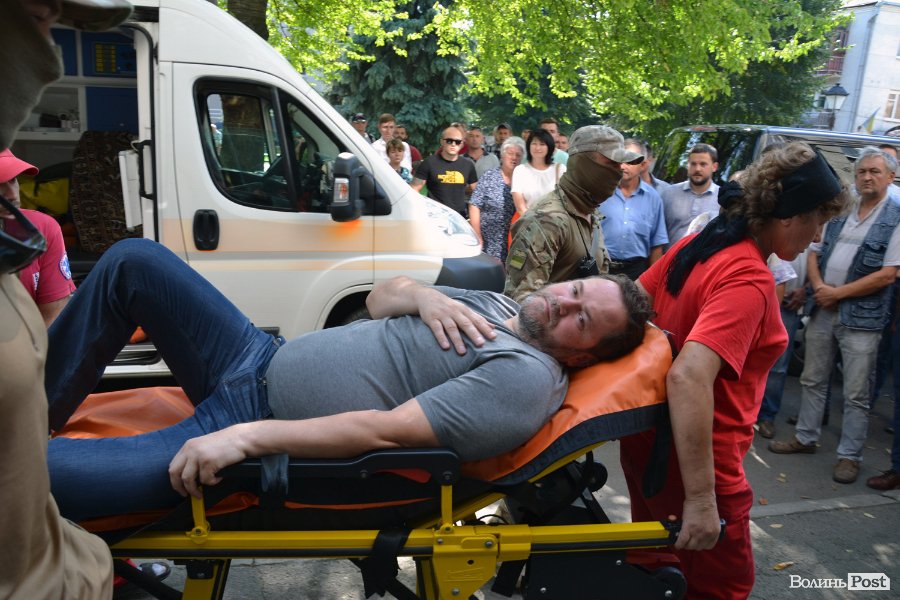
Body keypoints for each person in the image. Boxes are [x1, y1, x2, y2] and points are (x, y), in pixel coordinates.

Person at [44, 237, 653, 520]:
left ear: (584, 357)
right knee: (134, 262)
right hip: (252, 356)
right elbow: (381, 297)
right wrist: (424, 296)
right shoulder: (496, 305)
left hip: (252, 421)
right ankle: (30, 408)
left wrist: (244, 439)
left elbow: (388, 432)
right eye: (576, 290)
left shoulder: (526, 379)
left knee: (23, 478)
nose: (564, 303)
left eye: (581, 321)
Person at [620, 143, 850, 599]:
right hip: (698, 461)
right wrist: (701, 499)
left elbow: (629, 308)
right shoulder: (748, 277)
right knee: (722, 587)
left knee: (655, 570)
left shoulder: (698, 244)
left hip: (647, 444)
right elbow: (688, 376)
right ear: (790, 216)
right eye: (818, 221)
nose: (817, 237)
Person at [0, 1, 133, 598]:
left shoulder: (30, 236)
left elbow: (57, 319)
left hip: (75, 572)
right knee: (133, 264)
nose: (51, 57)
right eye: (37, 15)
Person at [769, 147, 900, 485]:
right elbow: (815, 250)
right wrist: (818, 287)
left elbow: (889, 274)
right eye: (861, 172)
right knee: (812, 379)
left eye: (874, 171)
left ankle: (849, 457)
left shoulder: (896, 216)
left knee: (856, 392)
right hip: (823, 306)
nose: (866, 177)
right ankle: (806, 437)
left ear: (891, 176)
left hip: (862, 318)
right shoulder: (843, 208)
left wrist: (836, 294)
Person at [504, 125, 643, 302]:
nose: (620, 170)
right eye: (612, 163)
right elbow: (520, 301)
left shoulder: (589, 213)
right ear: (585, 164)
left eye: (621, 163)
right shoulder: (545, 220)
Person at [0, 149, 75, 326]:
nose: (13, 195)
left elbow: (54, 315)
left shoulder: (42, 227)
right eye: (0, 184)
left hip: (31, 340)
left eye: (13, 180)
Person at [755, 250, 809, 439]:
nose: (817, 237)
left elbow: (818, 262)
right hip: (760, 304)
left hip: (787, 305)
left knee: (778, 366)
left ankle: (766, 415)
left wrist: (806, 289)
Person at [596, 139, 667, 280]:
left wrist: (653, 281)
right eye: (620, 160)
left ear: (643, 165)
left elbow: (656, 244)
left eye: (629, 161)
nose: (623, 166)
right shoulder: (600, 192)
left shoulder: (653, 198)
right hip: (603, 268)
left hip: (637, 271)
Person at [469, 136, 525, 263]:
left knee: (516, 269)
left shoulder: (525, 179)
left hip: (518, 240)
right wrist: (477, 235)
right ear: (502, 156)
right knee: (492, 272)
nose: (514, 158)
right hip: (489, 241)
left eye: (518, 155)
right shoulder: (489, 176)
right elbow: (474, 205)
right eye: (510, 153)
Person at [411, 125, 478, 217]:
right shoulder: (429, 163)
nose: (453, 144)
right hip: (435, 216)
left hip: (459, 217)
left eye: (457, 142)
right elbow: (414, 190)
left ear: (462, 144)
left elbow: (477, 192)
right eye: (449, 141)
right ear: (442, 142)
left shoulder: (468, 165)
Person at [661, 143, 720, 245]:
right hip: (670, 254)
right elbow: (657, 235)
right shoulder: (669, 194)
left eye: (703, 164)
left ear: (714, 167)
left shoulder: (722, 199)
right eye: (693, 164)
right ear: (688, 165)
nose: (697, 169)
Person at [511, 128, 565, 216]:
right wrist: (534, 222)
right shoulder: (520, 170)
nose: (537, 148)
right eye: (534, 143)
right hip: (528, 221)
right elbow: (520, 207)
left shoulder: (560, 169)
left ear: (549, 147)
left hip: (555, 221)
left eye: (542, 144)